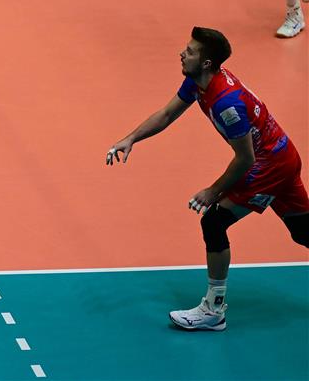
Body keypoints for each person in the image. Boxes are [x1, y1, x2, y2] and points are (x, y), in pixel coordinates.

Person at [106, 26, 309, 330]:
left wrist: (213, 191)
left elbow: (246, 159)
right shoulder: (198, 81)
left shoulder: (227, 104)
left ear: (206, 62)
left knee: (213, 222)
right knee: (303, 232)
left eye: (189, 51)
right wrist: (131, 138)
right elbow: (167, 114)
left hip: (269, 165)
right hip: (282, 156)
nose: (182, 53)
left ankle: (213, 310)